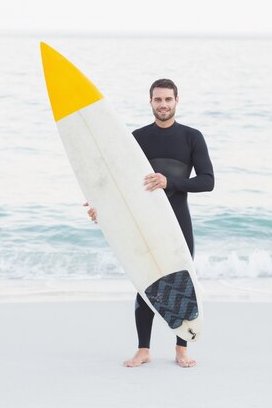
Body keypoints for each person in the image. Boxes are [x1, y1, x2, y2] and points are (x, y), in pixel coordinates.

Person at [84, 78, 214, 368]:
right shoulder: (137, 138)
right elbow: (119, 184)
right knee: (145, 284)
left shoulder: (192, 137)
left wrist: (171, 182)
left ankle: (181, 349)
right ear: (150, 102)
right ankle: (143, 349)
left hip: (177, 223)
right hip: (143, 223)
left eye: (168, 99)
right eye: (158, 100)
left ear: (177, 101)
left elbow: (208, 181)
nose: (163, 105)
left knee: (183, 283)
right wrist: (100, 210)